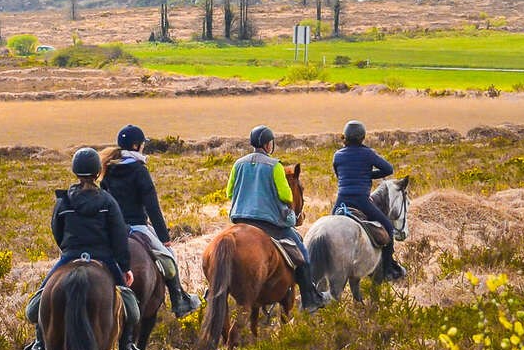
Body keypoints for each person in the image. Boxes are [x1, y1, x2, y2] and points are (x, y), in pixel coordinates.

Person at [20, 147, 143, 350]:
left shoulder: (63, 201)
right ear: (98, 172)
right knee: (131, 308)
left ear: (75, 171)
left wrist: (68, 250)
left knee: (36, 304)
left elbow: (56, 230)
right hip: (104, 258)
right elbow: (118, 236)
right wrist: (124, 267)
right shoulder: (108, 202)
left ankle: (39, 344)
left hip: (70, 256)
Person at [101, 124, 202, 318]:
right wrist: (164, 238)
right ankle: (179, 300)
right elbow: (152, 206)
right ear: (136, 145)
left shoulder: (109, 168)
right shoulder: (139, 170)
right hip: (138, 226)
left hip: (114, 229)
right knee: (169, 258)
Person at [226, 125, 325, 311]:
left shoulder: (238, 164)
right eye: (271, 142)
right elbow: (286, 196)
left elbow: (229, 192)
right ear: (267, 144)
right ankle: (310, 298)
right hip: (269, 224)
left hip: (240, 221)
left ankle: (210, 290)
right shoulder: (275, 166)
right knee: (301, 253)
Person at [332, 119, 405, 281]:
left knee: (327, 224)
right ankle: (386, 270)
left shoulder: (337, 155)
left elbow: (338, 174)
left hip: (341, 200)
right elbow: (388, 169)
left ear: (346, 137)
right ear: (362, 137)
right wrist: (369, 175)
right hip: (362, 201)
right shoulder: (367, 153)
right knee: (387, 227)